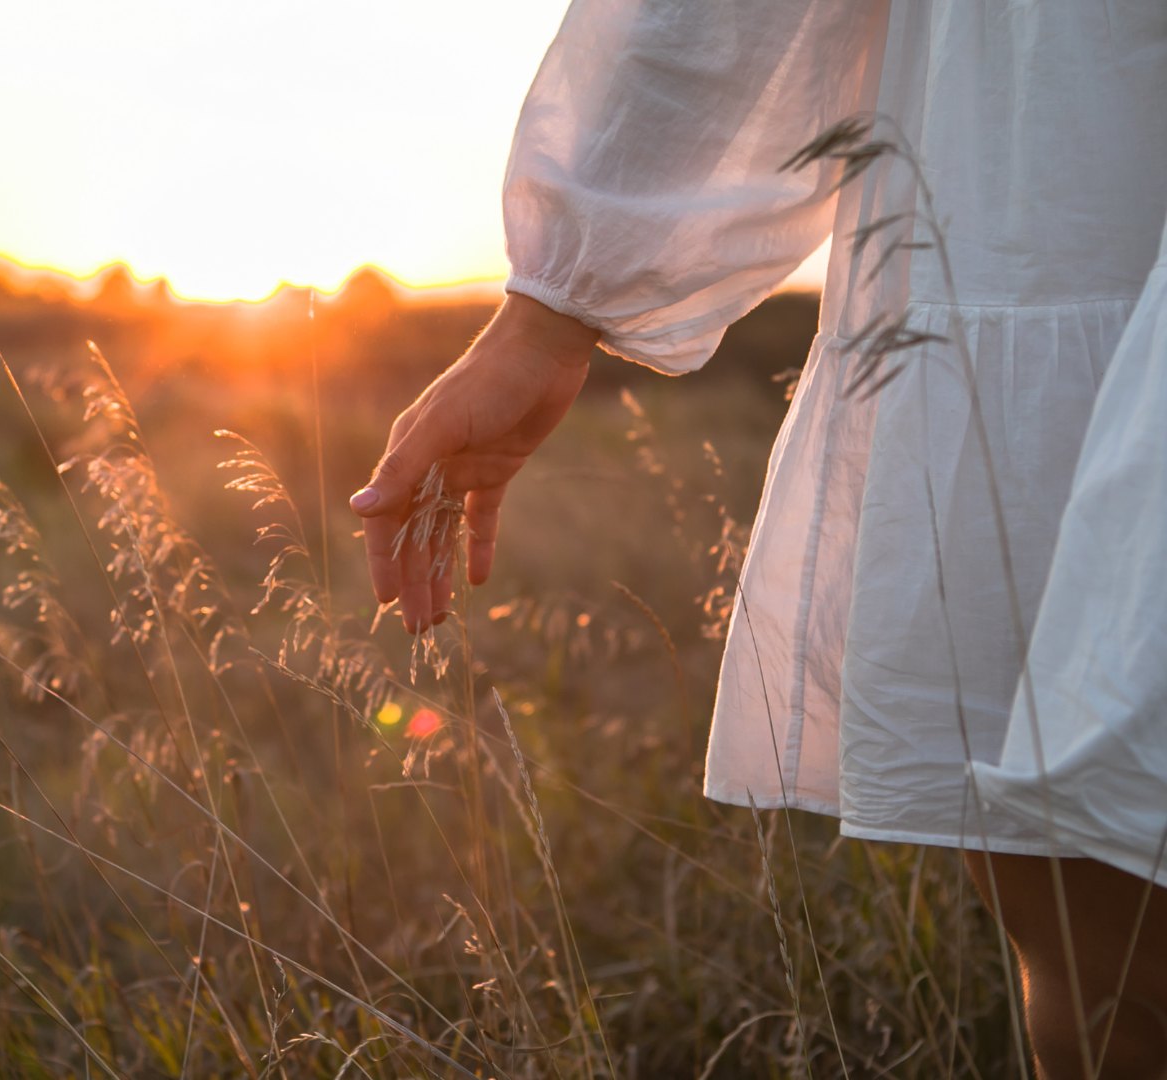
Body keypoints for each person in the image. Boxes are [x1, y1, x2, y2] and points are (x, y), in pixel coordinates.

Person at [348, 2, 1167, 1075]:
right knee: (1081, 900)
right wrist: (552, 309)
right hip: (1065, 160)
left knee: (1099, 908)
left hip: (1070, 164)